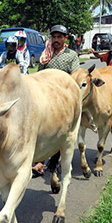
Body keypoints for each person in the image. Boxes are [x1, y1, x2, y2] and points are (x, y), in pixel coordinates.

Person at [32, 24, 82, 177]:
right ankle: (39, 158)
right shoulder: (46, 54)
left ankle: (47, 161)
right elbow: (38, 75)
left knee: (61, 130)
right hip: (46, 95)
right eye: (54, 37)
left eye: (60, 37)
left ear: (65, 38)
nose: (56, 40)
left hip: (63, 97)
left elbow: (75, 76)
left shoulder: (71, 55)